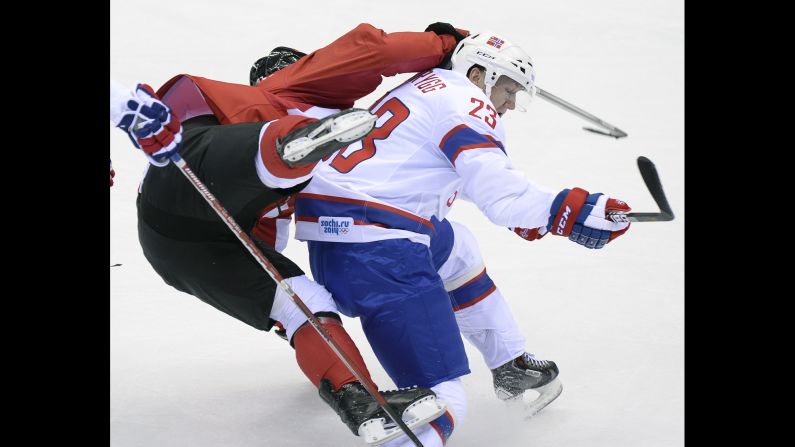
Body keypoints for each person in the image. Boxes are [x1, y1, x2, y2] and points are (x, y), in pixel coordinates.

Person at [286, 31, 632, 447]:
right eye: (507, 89)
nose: (508, 104)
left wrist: (542, 211)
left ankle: (511, 366)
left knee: (457, 247)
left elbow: (438, 171)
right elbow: (501, 196)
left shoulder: (422, 87)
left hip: (342, 242)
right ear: (477, 73)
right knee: (442, 403)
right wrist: (572, 209)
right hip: (381, 255)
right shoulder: (467, 101)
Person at [109, 78, 445, 445]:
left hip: (189, 250)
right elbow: (178, 98)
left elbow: (267, 237)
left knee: (300, 299)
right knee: (236, 152)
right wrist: (444, 44)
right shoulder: (252, 95)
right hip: (176, 189)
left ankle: (362, 403)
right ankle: (287, 148)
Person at [249, 25, 562, 414]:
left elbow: (409, 165)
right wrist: (449, 43)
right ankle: (356, 381)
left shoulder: (282, 115)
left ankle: (509, 363)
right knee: (437, 390)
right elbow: (374, 50)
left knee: (457, 247)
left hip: (364, 225)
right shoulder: (324, 105)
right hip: (370, 240)